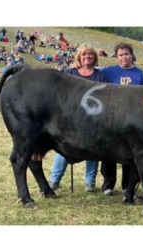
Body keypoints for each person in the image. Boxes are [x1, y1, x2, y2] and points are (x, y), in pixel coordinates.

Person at [49, 43, 108, 192]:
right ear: (79, 57)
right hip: (71, 120)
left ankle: (90, 182)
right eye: (84, 54)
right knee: (64, 150)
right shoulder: (70, 73)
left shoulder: (100, 76)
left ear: (94, 57)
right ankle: (54, 179)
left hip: (94, 120)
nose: (87, 57)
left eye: (90, 54)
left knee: (93, 151)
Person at [99, 42, 143, 196]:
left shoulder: (140, 74)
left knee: (129, 154)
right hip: (111, 118)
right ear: (117, 56)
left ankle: (127, 185)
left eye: (126, 54)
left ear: (131, 55)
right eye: (120, 55)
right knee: (108, 152)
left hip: (131, 120)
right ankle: (108, 184)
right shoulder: (108, 72)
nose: (123, 57)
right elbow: (92, 75)